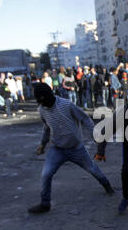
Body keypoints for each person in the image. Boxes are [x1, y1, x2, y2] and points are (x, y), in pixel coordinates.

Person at [27, 83, 115, 214]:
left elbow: (85, 119)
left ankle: (107, 186)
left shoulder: (66, 105)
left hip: (76, 148)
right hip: (57, 149)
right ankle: (45, 204)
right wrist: (42, 144)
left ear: (48, 97)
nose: (42, 105)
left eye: (43, 102)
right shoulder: (42, 110)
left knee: (92, 169)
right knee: (46, 174)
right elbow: (46, 128)